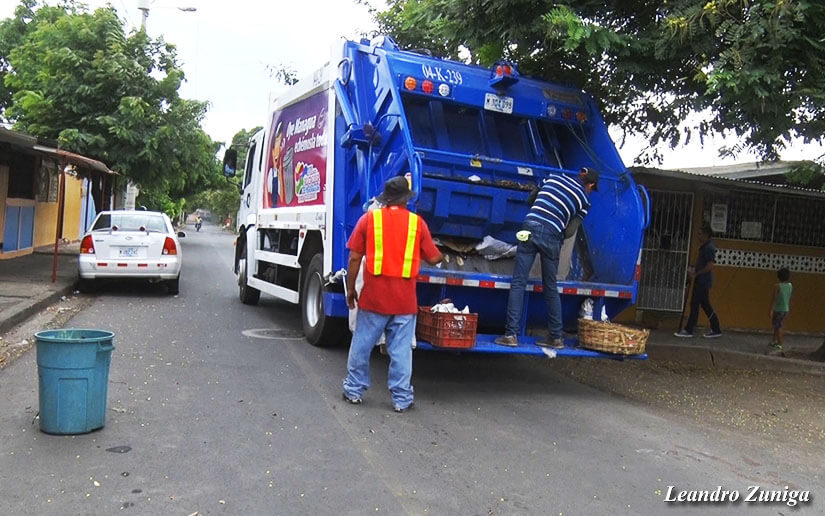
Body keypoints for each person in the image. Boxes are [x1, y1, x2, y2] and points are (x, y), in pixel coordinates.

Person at [342, 176, 442, 413]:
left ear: (385, 200)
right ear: (406, 200)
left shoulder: (369, 219)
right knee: (401, 352)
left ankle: (354, 391)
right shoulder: (418, 224)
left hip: (374, 299)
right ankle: (401, 399)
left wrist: (350, 289)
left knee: (362, 345)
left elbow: (354, 257)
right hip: (405, 301)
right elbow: (434, 257)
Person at [494, 167, 599, 348]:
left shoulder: (553, 178)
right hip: (552, 237)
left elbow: (530, 200)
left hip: (529, 228)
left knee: (519, 282)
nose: (590, 191)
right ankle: (556, 338)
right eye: (592, 188)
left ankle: (511, 335)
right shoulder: (584, 202)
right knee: (550, 287)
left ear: (580, 174)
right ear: (590, 184)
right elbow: (569, 232)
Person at [674, 223, 722, 338]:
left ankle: (689, 329)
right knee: (704, 305)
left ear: (706, 235)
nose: (698, 236)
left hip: (703, 281)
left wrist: (696, 274)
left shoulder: (709, 248)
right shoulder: (705, 247)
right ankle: (715, 328)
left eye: (700, 234)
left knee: (696, 304)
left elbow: (710, 266)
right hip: (701, 280)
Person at [770, 267, 793, 350]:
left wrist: (771, 310)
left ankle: (780, 344)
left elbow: (774, 299)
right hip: (785, 309)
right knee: (777, 325)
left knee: (778, 326)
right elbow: (790, 297)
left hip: (778, 309)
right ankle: (774, 340)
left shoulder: (777, 286)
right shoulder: (790, 286)